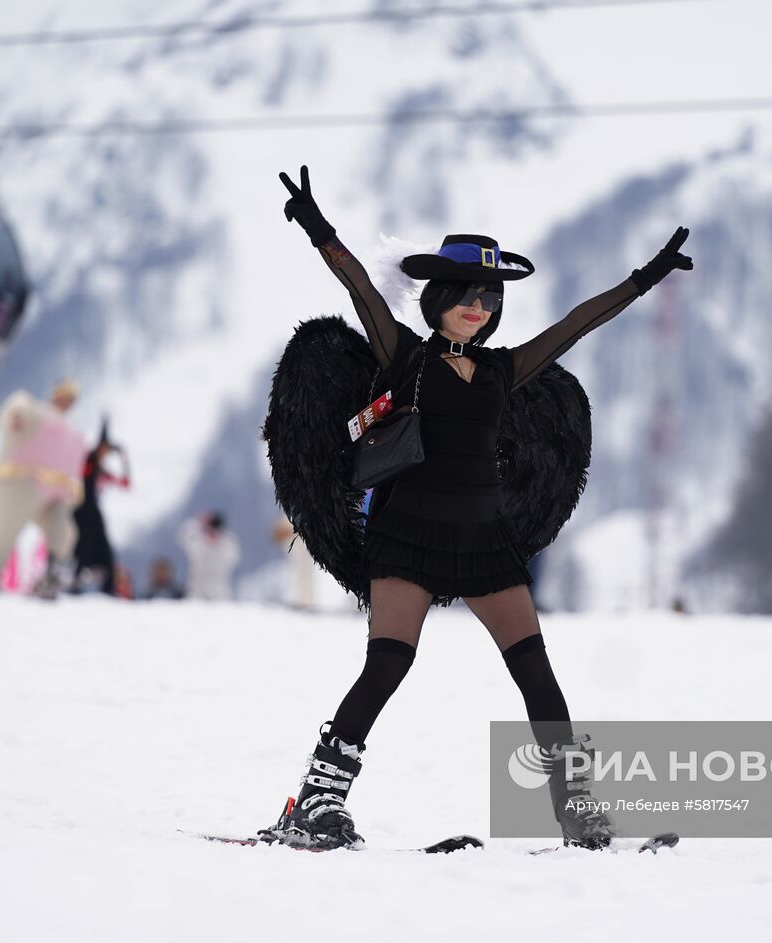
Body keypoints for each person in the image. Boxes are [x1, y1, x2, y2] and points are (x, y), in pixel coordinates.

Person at [259, 165, 692, 851]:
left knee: (534, 670)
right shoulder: (405, 356)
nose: (478, 306)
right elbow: (360, 288)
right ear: (438, 297)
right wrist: (317, 227)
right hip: (408, 533)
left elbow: (578, 323)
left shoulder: (502, 369)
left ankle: (576, 807)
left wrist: (646, 277)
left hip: (487, 537)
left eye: (489, 296)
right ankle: (315, 801)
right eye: (465, 294)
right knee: (387, 665)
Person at [0, 380, 88, 600]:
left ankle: (52, 574)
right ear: (56, 395)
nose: (68, 402)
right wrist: (17, 414)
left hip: (54, 490)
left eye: (72, 399)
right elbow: (18, 405)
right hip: (22, 481)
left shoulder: (72, 432)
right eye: (65, 396)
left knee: (63, 531)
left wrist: (72, 492)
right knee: (5, 529)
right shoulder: (37, 413)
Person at [72, 421, 130, 595]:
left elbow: (125, 483)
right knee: (82, 550)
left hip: (93, 513)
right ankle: (76, 586)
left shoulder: (99, 469)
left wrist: (123, 458)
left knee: (103, 552)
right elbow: (79, 470)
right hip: (81, 512)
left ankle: (108, 589)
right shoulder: (88, 461)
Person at [179, 511, 240, 602]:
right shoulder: (198, 544)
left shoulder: (227, 547)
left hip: (221, 595)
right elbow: (183, 536)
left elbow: (235, 553)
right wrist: (197, 523)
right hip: (196, 594)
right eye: (210, 530)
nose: (213, 535)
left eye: (216, 531)